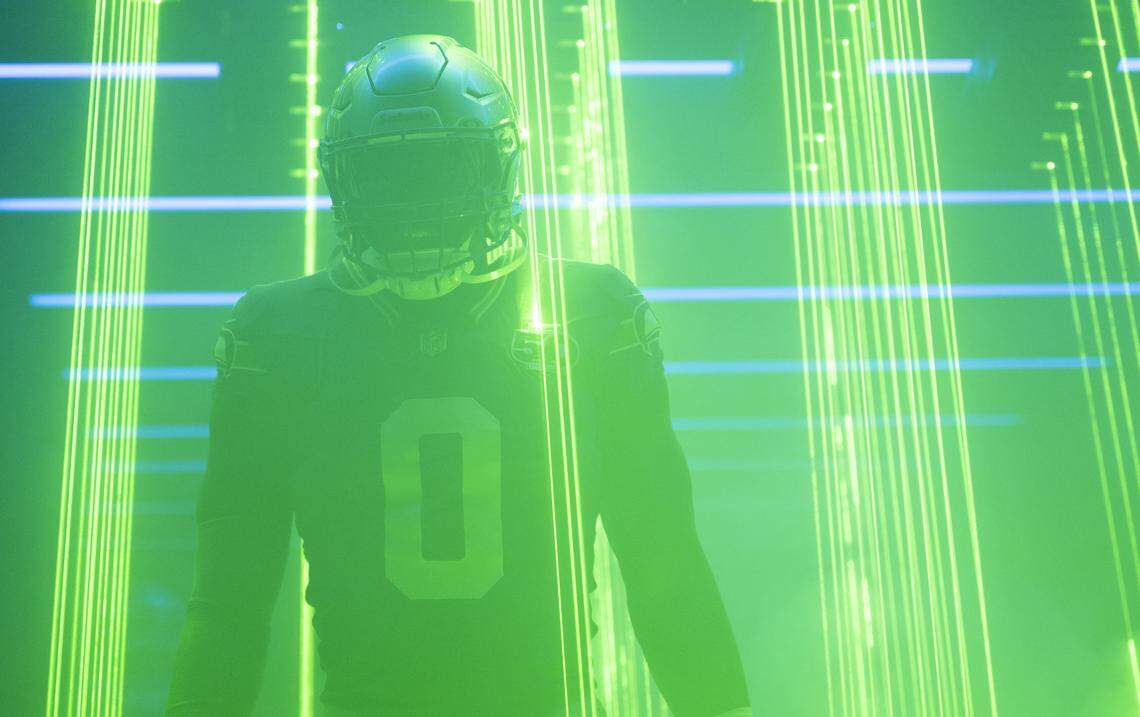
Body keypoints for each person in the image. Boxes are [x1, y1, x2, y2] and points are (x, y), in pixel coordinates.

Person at [166, 34, 751, 717]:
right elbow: (665, 573)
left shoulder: (280, 334)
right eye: (392, 173)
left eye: (441, 167)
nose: (417, 201)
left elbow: (665, 569)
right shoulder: (591, 313)